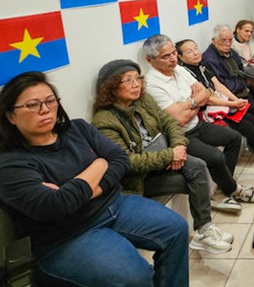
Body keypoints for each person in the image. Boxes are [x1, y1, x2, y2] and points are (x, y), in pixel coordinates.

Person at [0, 72, 189, 286]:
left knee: (176, 228)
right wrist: (99, 164)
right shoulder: (11, 165)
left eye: (50, 101)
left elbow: (119, 159)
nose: (45, 109)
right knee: (136, 277)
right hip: (68, 236)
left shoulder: (77, 129)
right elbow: (56, 206)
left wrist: (80, 186)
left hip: (115, 204)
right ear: (11, 115)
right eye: (32, 105)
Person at [91, 60, 235, 255]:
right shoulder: (104, 121)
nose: (136, 84)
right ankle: (202, 229)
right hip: (139, 179)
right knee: (195, 178)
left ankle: (204, 229)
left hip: (163, 157)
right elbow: (127, 162)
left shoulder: (143, 101)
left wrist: (178, 146)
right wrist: (169, 155)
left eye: (138, 79)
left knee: (197, 165)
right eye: (127, 80)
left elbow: (170, 124)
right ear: (111, 87)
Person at [141, 36, 254, 211]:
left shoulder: (180, 71)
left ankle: (225, 186)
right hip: (180, 135)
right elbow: (180, 119)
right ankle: (231, 189)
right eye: (166, 56)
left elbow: (205, 91)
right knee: (215, 157)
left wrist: (189, 104)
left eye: (174, 53)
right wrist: (197, 101)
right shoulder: (152, 84)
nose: (173, 58)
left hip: (197, 124)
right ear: (150, 60)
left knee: (234, 138)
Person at [176, 39, 254, 152]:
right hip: (207, 113)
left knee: (253, 119)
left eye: (196, 48)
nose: (196, 53)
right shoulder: (185, 74)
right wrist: (231, 103)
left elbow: (218, 86)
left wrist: (236, 100)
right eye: (189, 51)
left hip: (222, 103)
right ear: (181, 57)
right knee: (247, 127)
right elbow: (206, 99)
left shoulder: (202, 66)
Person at [202, 24, 254, 112]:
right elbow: (225, 85)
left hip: (244, 89)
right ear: (214, 40)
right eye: (223, 40)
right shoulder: (210, 59)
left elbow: (242, 70)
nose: (228, 43)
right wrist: (247, 83)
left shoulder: (230, 51)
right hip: (234, 97)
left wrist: (253, 86)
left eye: (230, 40)